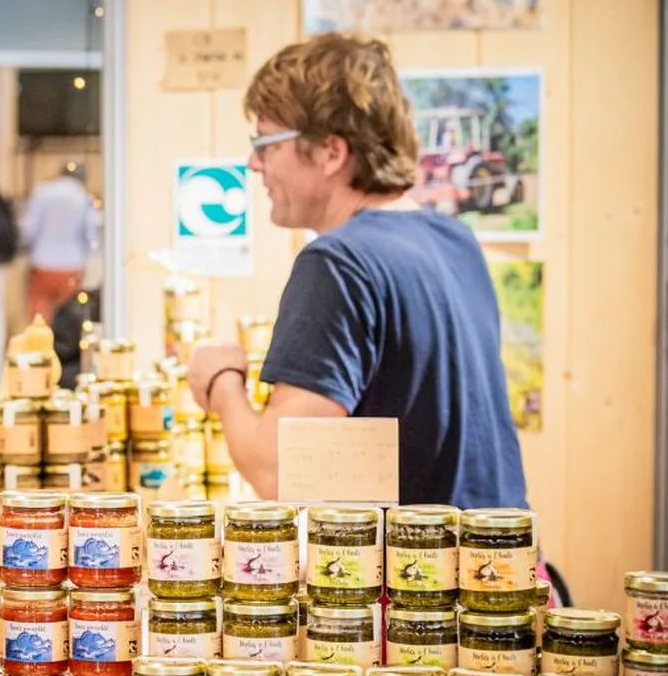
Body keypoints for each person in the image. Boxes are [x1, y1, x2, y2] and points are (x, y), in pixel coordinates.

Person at [186, 33, 526, 509]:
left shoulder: (339, 263)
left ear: (330, 151)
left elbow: (279, 472)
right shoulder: (455, 240)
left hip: (422, 577)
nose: (252, 164)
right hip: (503, 570)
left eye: (265, 143)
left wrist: (222, 379)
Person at [21, 161, 96, 323]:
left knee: (39, 316)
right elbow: (90, 234)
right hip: (71, 264)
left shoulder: (42, 192)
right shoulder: (83, 197)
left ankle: (39, 346)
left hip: (42, 262)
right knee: (69, 316)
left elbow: (28, 229)